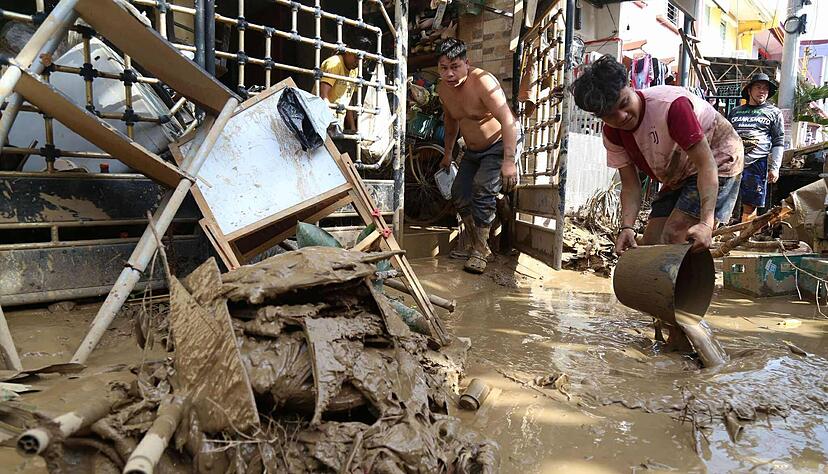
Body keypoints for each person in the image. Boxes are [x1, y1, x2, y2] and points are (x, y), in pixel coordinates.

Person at [570, 55, 744, 255]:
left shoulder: (671, 106)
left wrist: (706, 223)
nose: (622, 117)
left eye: (624, 103)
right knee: (650, 244)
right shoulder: (612, 133)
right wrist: (627, 227)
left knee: (676, 234)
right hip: (679, 171)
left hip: (719, 160)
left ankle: (688, 284)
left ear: (630, 86)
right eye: (609, 115)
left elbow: (706, 165)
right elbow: (630, 185)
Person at [437, 38, 519, 274]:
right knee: (459, 193)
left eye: (455, 66)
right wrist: (448, 153)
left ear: (467, 63)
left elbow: (507, 119)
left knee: (482, 189)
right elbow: (451, 121)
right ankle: (478, 244)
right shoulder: (444, 89)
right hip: (471, 150)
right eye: (444, 68)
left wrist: (509, 160)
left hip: (497, 145)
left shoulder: (483, 82)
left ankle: (480, 251)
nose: (450, 73)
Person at [727, 73, 784, 222]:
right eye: (758, 87)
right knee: (723, 200)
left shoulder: (774, 113)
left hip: (757, 163)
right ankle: (717, 237)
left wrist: (775, 167)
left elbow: (778, 141)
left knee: (751, 205)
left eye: (765, 89)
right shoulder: (735, 112)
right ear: (749, 90)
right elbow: (724, 137)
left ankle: (745, 239)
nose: (762, 91)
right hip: (731, 162)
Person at [317, 34, 373, 131]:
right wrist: (330, 120)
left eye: (362, 60)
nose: (358, 62)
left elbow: (348, 98)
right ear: (348, 49)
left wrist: (352, 126)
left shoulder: (354, 70)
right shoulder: (335, 63)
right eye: (356, 57)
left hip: (337, 123)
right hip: (323, 121)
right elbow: (323, 95)